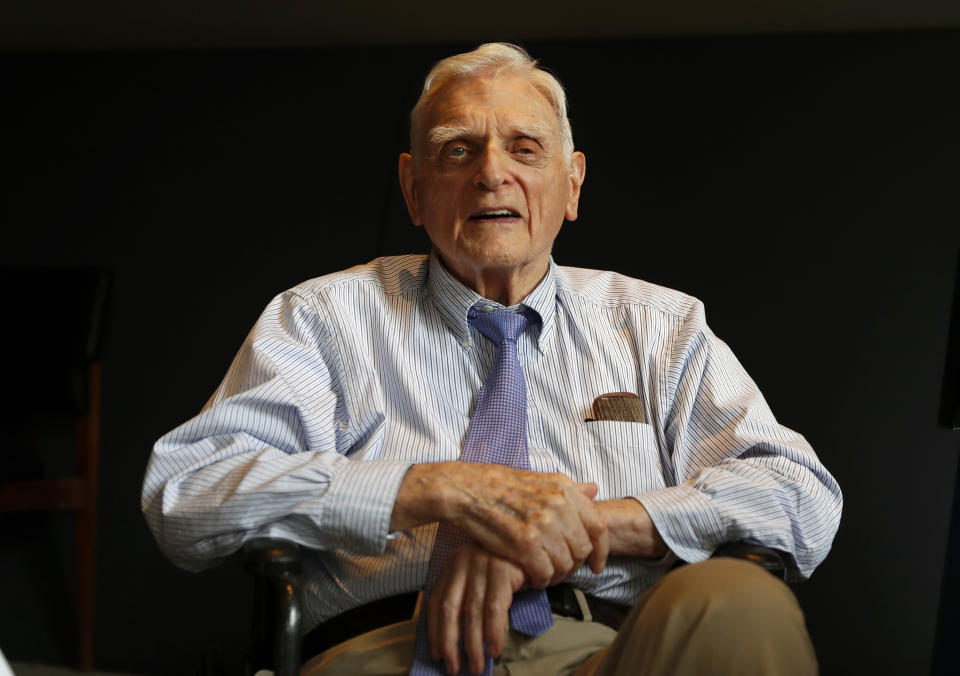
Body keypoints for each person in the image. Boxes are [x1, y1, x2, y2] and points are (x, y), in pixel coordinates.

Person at [142, 43, 842, 675]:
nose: (491, 174)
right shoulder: (325, 319)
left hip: (611, 653)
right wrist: (449, 491)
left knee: (741, 600)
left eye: (525, 149)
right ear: (413, 188)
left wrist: (572, 525)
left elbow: (799, 496)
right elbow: (188, 495)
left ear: (572, 184)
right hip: (387, 651)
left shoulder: (660, 326)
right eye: (458, 150)